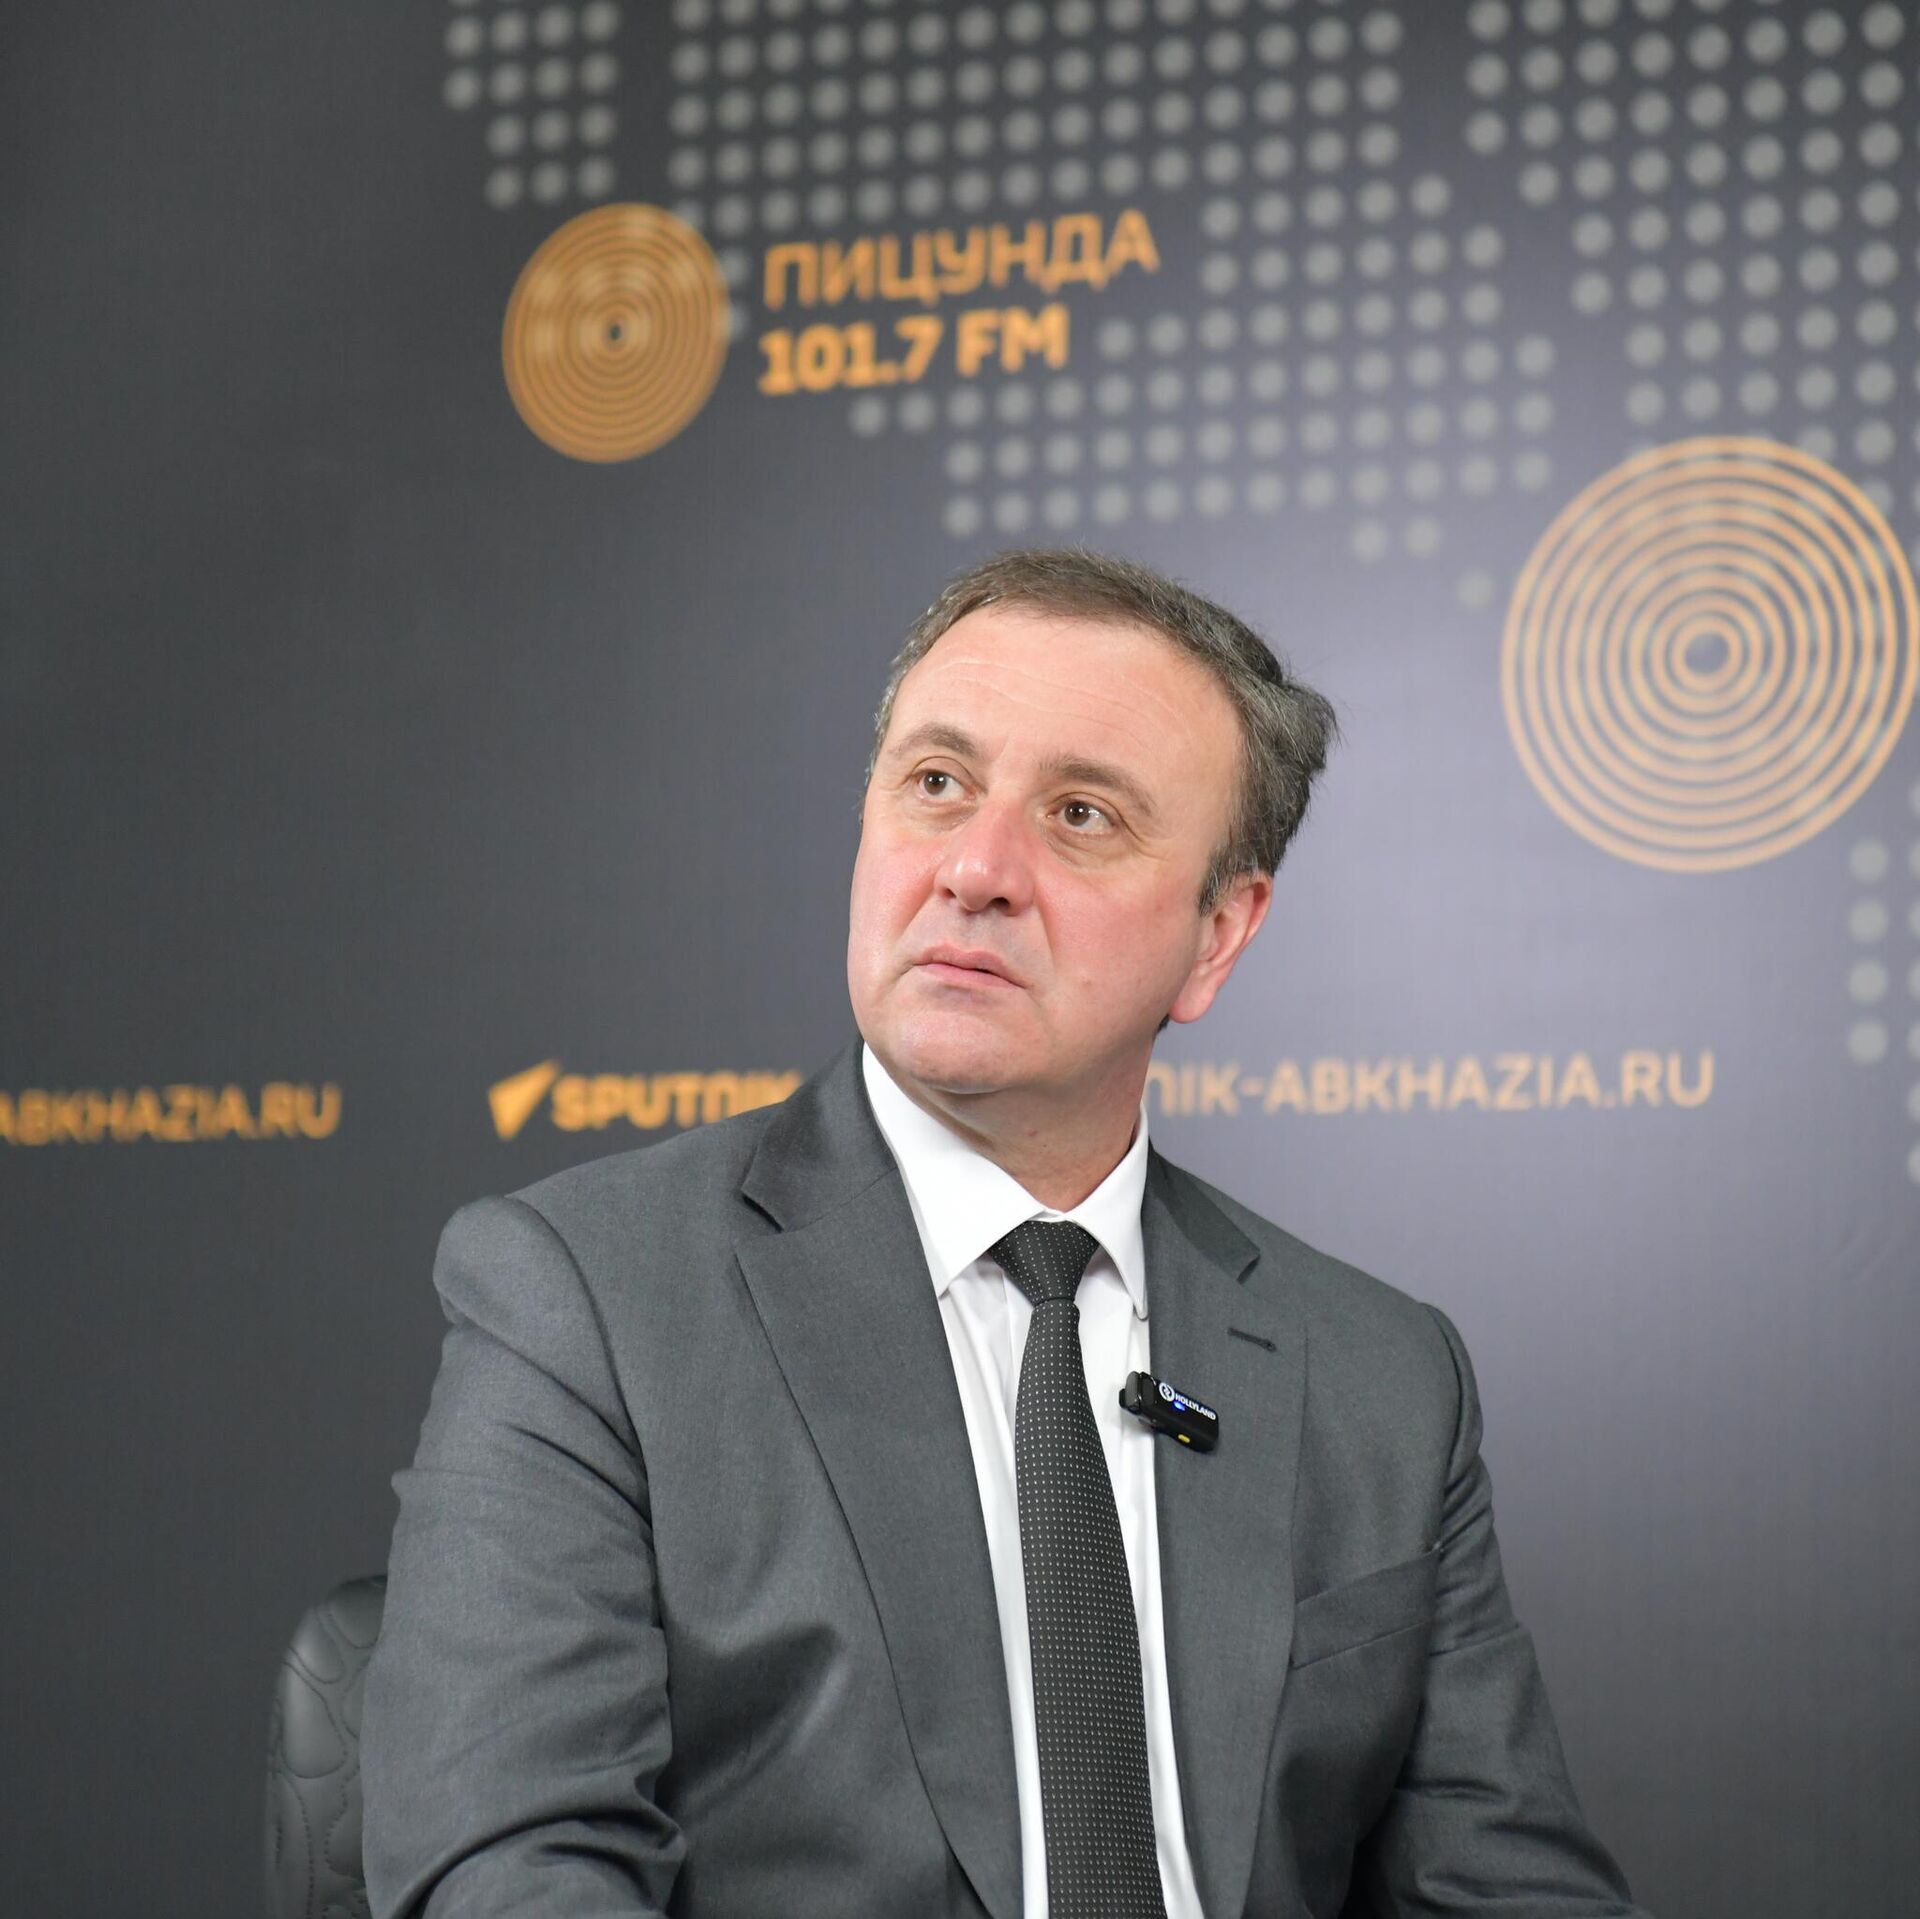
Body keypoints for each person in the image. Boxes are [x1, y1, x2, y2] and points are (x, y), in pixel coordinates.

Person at [362, 547, 1651, 1917]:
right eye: (937, 783)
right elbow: (509, 1868)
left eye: (1081, 814)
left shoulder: (1386, 1377)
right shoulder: (591, 1297)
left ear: (1218, 934)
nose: (974, 869)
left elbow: (1508, 1889)